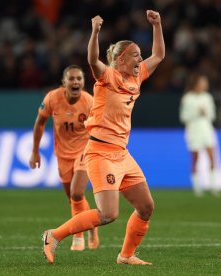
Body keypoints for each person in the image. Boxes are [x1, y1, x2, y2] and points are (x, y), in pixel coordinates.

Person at [41, 10, 165, 265]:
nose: (140, 59)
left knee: (146, 207)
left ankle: (126, 255)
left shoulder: (137, 76)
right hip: (100, 152)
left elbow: (160, 55)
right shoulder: (109, 76)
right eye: (135, 55)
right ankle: (53, 235)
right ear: (119, 60)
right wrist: (95, 31)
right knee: (108, 214)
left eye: (140, 55)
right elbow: (92, 59)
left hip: (122, 153)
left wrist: (157, 25)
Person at [29, 65, 99, 251]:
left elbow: (99, 128)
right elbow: (40, 123)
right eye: (72, 78)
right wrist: (35, 151)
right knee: (73, 198)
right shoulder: (52, 98)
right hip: (63, 154)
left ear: (83, 83)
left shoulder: (89, 102)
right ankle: (91, 224)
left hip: (85, 150)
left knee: (77, 193)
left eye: (79, 79)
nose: (75, 82)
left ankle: (78, 237)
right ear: (64, 82)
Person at [180, 73, 218, 196]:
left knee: (212, 157)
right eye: (203, 82)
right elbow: (183, 117)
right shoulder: (188, 98)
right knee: (195, 159)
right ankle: (197, 188)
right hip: (193, 132)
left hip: (207, 130)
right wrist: (197, 112)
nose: (205, 85)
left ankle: (213, 187)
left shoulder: (207, 97)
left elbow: (212, 115)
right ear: (196, 84)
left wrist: (206, 113)